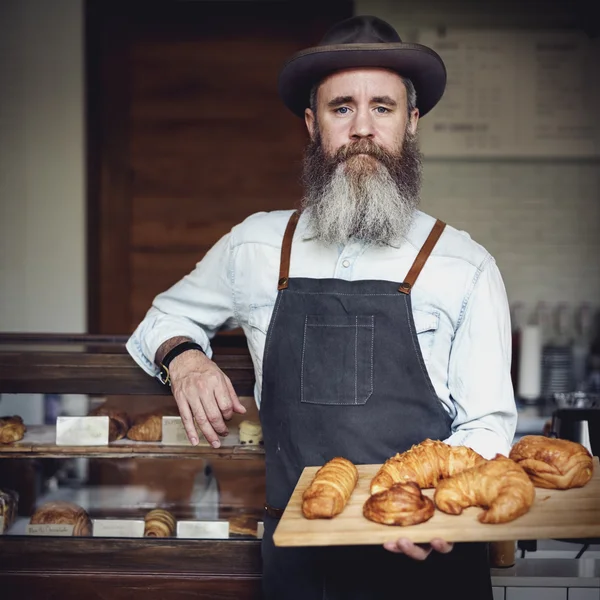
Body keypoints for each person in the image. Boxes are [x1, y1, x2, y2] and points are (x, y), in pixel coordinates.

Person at [127, 14, 517, 600]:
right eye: (342, 108)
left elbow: (488, 423)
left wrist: (436, 508)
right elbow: (163, 317)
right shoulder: (257, 247)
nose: (362, 128)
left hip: (430, 554)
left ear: (410, 124)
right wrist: (185, 359)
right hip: (297, 564)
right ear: (313, 125)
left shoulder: (463, 264)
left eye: (382, 107)